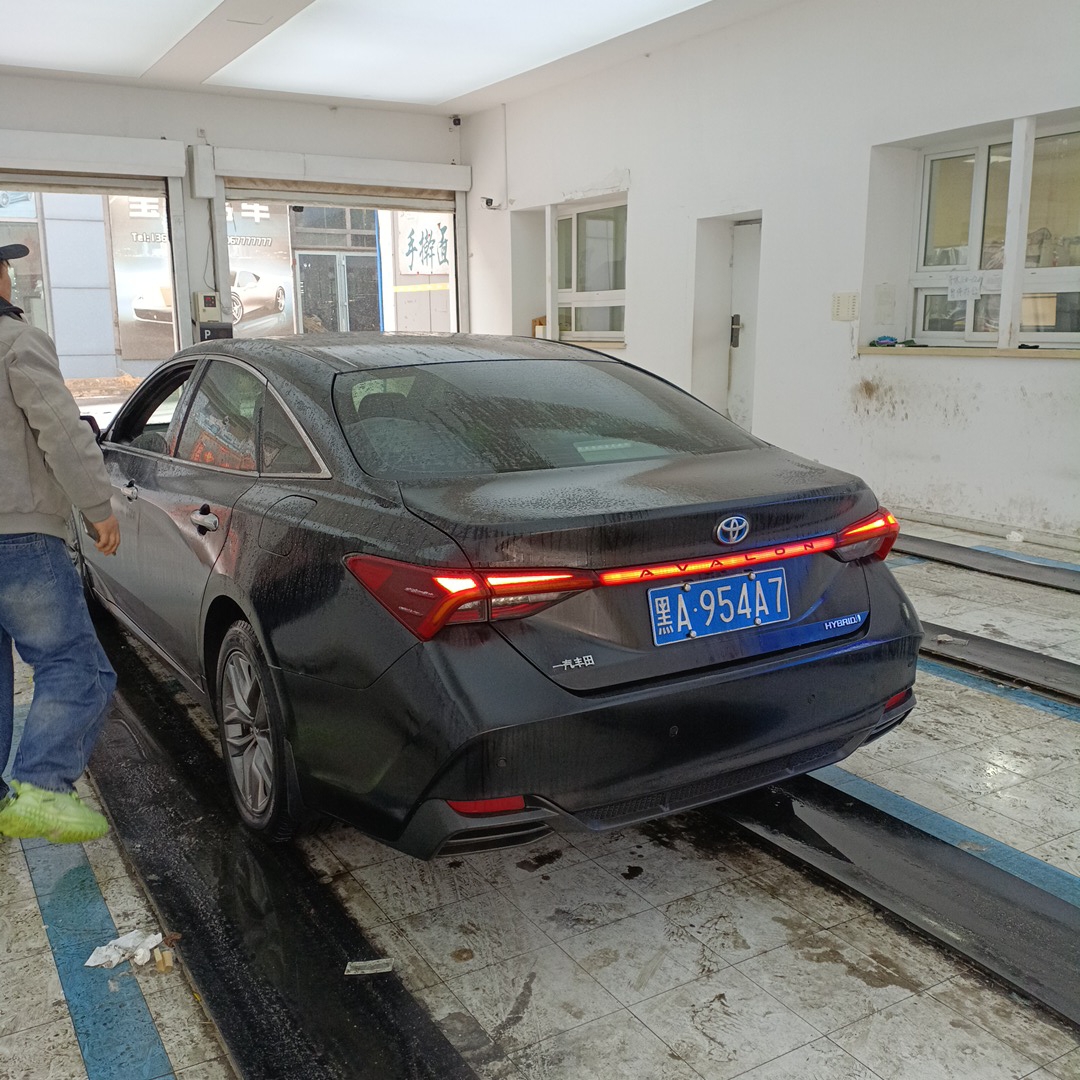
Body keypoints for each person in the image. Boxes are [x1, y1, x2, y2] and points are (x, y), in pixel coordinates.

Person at [0, 242, 120, 843]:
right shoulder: (16, 341)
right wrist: (98, 507)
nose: (10, 275)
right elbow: (62, 430)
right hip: (17, 538)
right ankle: (42, 787)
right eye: (5, 266)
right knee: (78, 669)